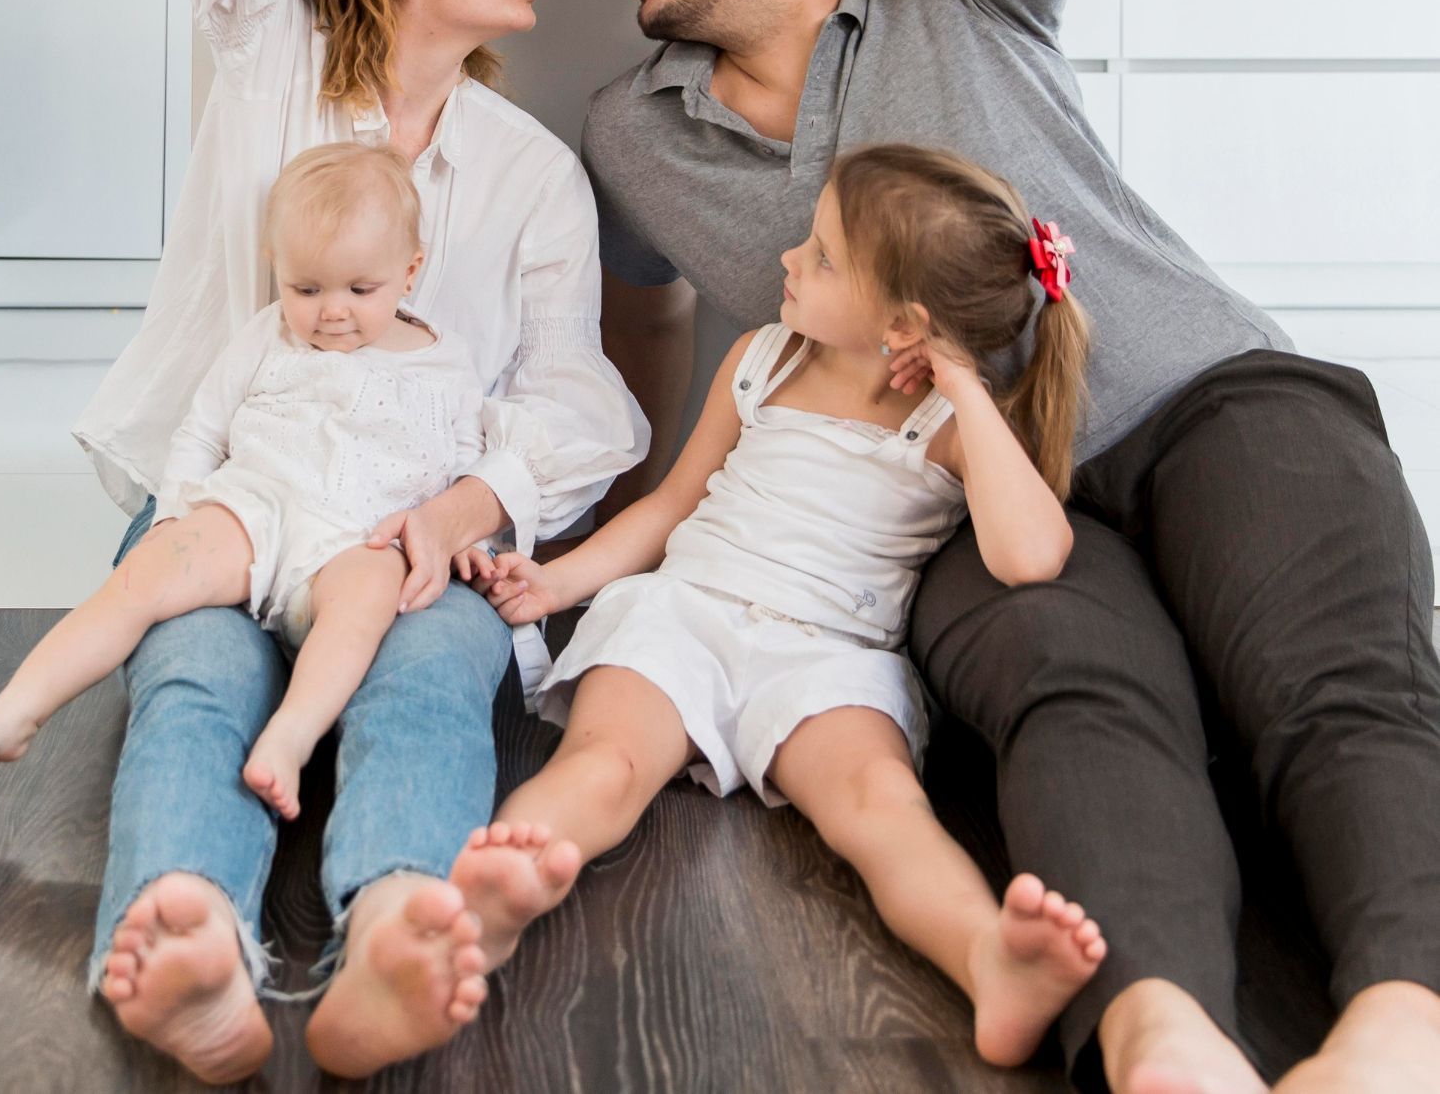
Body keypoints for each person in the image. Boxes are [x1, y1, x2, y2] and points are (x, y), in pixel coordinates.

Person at [555, 0, 1440, 1094]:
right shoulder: (631, 130)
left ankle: (1404, 1029)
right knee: (1075, 698)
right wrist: (631, 533)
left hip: (1203, 397)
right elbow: (641, 331)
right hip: (962, 501)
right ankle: (1165, 1035)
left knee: (1332, 681)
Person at [63, 0, 648, 1084]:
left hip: (409, 526)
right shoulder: (266, 54)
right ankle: (183, 933)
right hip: (232, 499)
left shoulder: (530, 172)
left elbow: (577, 391)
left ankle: (394, 919)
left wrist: (470, 507)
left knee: (434, 672)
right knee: (193, 673)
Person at [452, 145, 1108, 1068]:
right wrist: (558, 583)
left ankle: (987, 957)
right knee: (606, 762)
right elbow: (672, 505)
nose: (791, 259)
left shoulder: (951, 426)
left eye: (824, 254)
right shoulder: (762, 360)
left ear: (903, 323)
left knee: (879, 803)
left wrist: (963, 382)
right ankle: (502, 890)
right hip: (681, 615)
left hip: (826, 658)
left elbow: (1033, 552)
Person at [0, 143, 506, 821]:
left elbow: (464, 470)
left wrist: (464, 539)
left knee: (367, 604)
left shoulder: (446, 364)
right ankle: (16, 710)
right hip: (254, 509)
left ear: (409, 271)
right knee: (141, 580)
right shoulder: (267, 337)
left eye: (360, 290)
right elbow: (203, 432)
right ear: (279, 274)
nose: (331, 311)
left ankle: (291, 737)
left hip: (361, 536)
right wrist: (173, 520)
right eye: (306, 289)